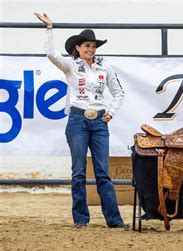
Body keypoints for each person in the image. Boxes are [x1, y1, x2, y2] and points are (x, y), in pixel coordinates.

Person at [34, 13, 127, 229]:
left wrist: (111, 113)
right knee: (78, 172)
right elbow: (50, 54)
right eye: (87, 46)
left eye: (93, 46)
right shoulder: (71, 66)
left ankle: (114, 220)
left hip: (99, 123)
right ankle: (81, 220)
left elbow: (119, 93)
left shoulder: (106, 68)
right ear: (78, 47)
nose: (91, 50)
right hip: (78, 120)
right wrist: (49, 28)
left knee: (103, 172)